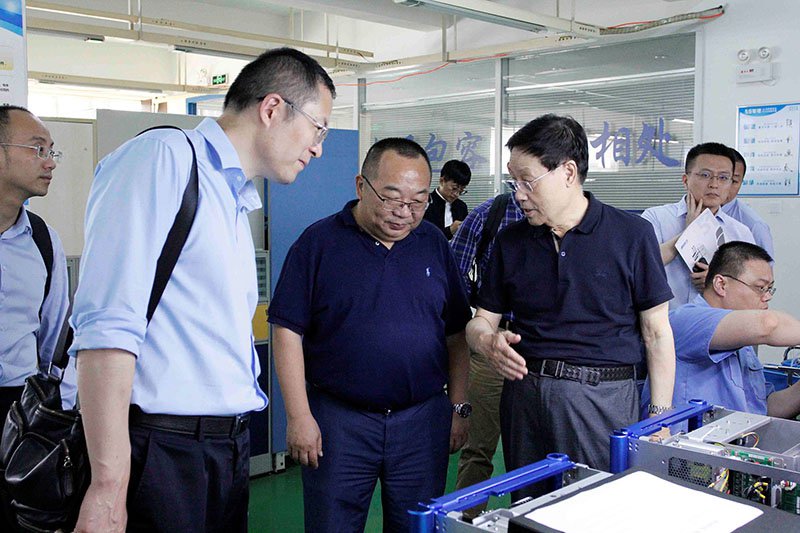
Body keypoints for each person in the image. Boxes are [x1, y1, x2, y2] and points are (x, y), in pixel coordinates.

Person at [68, 48, 335, 533]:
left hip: (222, 447)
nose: (318, 149)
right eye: (318, 129)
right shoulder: (164, 159)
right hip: (161, 450)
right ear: (272, 108)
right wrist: (108, 484)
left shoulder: (232, 194)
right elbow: (107, 325)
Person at [268, 137, 472, 532]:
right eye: (392, 198)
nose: (404, 213)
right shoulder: (319, 243)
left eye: (417, 202)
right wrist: (298, 416)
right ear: (361, 186)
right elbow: (287, 331)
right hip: (339, 422)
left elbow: (456, 334)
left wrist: (459, 406)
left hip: (421, 421)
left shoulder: (433, 243)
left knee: (417, 526)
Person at [465, 114, 675, 487]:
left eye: (527, 181)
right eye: (514, 182)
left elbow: (657, 333)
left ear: (568, 172)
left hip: (600, 397)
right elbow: (481, 319)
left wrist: (660, 418)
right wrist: (485, 340)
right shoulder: (511, 242)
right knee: (528, 503)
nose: (519, 194)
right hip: (524, 396)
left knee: (595, 503)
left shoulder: (632, 235)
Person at [0, 105, 76, 530]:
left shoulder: (43, 241)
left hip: (19, 411)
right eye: (37, 149)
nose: (50, 162)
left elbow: (54, 337)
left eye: (52, 151)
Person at [642, 241, 800, 419]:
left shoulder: (743, 342)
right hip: (692, 436)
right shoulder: (685, 320)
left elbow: (764, 408)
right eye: (761, 288)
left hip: (741, 434)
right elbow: (768, 324)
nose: (768, 296)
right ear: (721, 284)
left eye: (770, 289)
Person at [449, 191, 523, 513]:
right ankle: (465, 519)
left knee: (534, 451)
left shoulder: (566, 219)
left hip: (544, 349)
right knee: (478, 447)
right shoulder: (489, 215)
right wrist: (477, 319)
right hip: (491, 342)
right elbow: (455, 275)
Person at [641, 143, 755, 310]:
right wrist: (689, 233)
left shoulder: (740, 232)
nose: (714, 184)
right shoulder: (656, 217)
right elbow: (642, 265)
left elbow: (751, 285)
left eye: (723, 178)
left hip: (716, 322)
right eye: (705, 175)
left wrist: (718, 282)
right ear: (685, 180)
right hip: (663, 319)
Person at [722, 148, 775, 258]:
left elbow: (764, 268)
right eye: (722, 178)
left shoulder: (754, 225)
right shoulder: (688, 213)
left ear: (741, 182)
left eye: (734, 181)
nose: (724, 185)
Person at [423, 159, 471, 239]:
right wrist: (450, 231)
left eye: (461, 191)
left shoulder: (461, 207)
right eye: (454, 188)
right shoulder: (425, 203)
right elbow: (423, 237)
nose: (456, 194)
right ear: (442, 181)